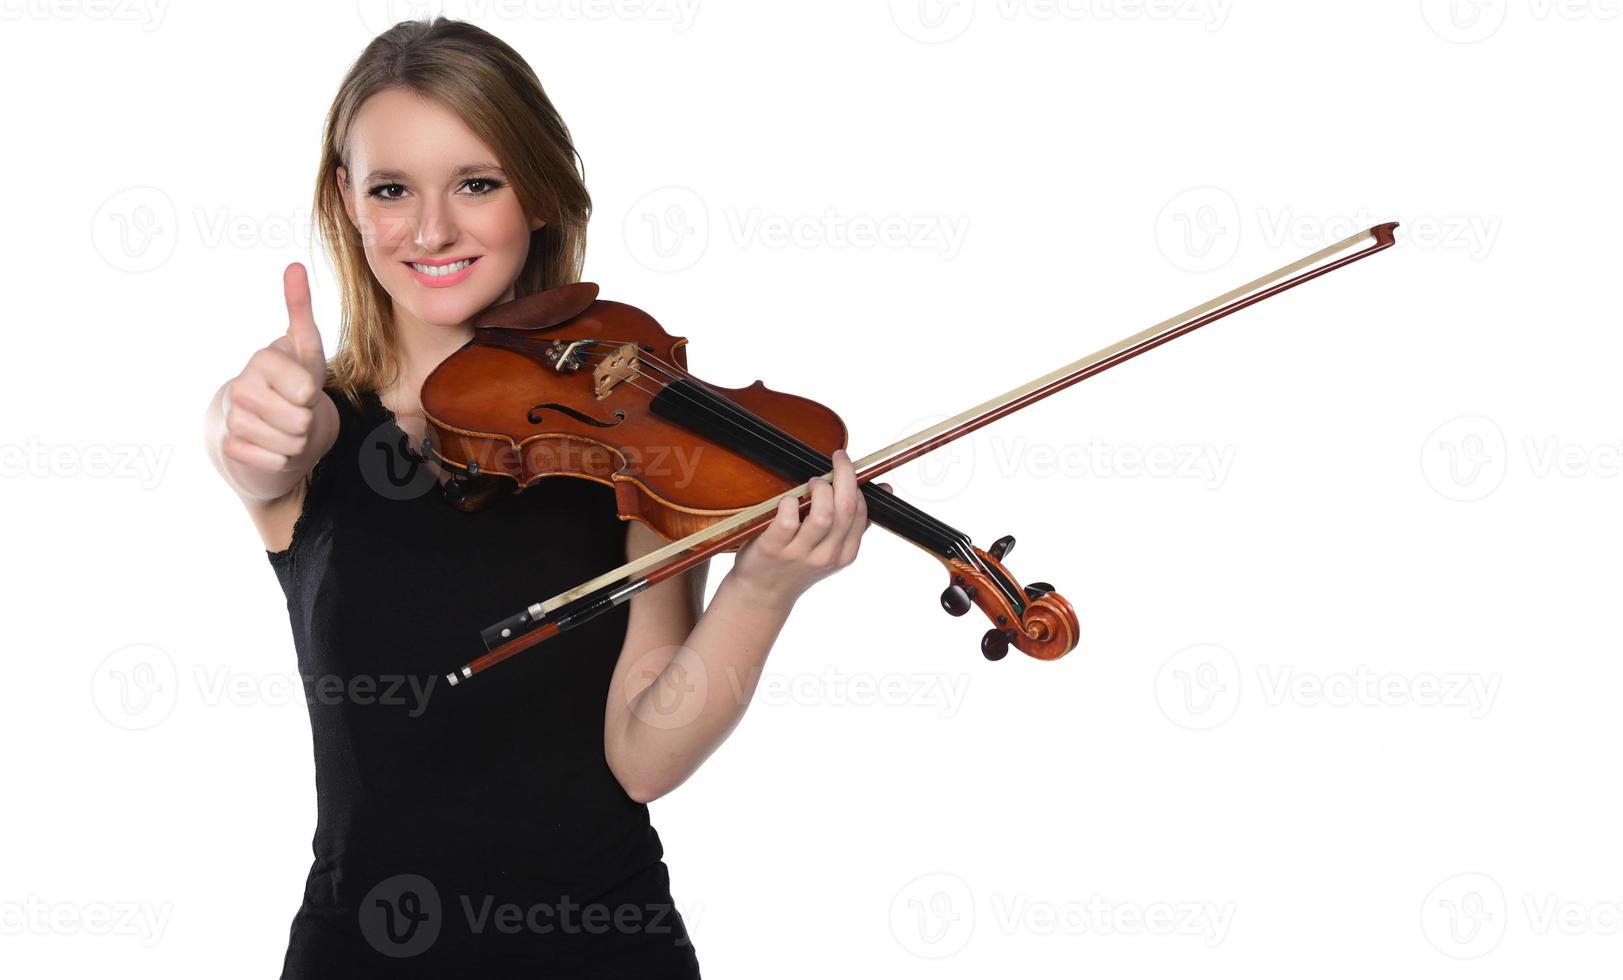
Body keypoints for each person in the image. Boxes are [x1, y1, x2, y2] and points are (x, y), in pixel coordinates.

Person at [202, 17, 878, 978]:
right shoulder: (307, 426)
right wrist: (251, 418)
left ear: (542, 193)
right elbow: (250, 444)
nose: (432, 229)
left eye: (478, 183)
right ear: (347, 200)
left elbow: (643, 757)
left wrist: (762, 590)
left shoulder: (630, 438)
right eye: (392, 189)